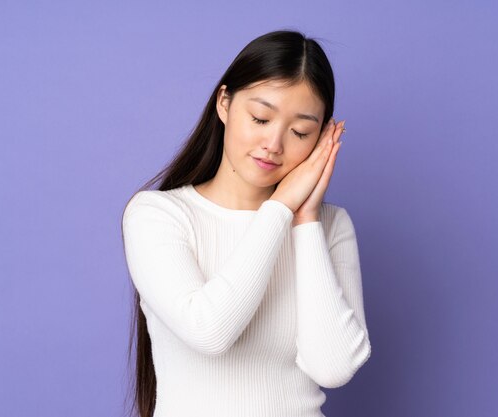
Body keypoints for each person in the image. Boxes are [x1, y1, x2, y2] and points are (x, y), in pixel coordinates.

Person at [121, 29, 372, 417]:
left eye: (300, 131)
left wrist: (304, 220)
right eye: (260, 118)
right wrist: (282, 207)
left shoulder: (329, 225)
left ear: (323, 136)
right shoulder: (158, 215)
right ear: (224, 103)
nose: (274, 143)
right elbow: (211, 331)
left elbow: (333, 367)